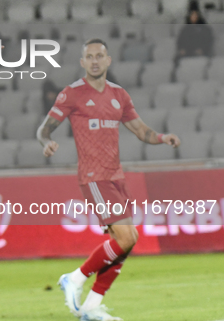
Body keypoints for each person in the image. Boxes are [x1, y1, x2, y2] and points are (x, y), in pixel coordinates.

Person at [37, 39, 180, 321]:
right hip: (93, 177)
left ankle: (91, 306)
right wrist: (46, 141)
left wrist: (163, 138)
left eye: (99, 56)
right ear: (82, 62)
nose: (94, 61)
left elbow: (140, 130)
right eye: (89, 56)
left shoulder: (119, 95)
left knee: (128, 239)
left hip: (116, 176)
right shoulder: (72, 94)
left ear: (108, 60)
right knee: (126, 237)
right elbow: (46, 128)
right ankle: (75, 278)